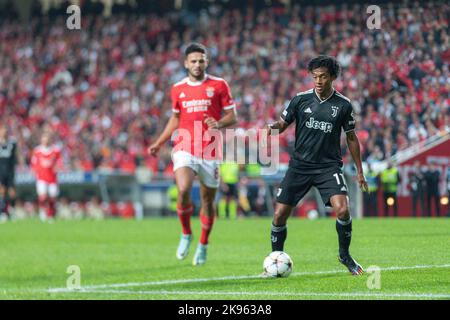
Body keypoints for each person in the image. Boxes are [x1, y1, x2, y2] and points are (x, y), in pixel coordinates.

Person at [263, 55, 368, 276]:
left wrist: (359, 171)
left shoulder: (343, 105)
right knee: (279, 214)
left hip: (328, 168)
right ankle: (275, 258)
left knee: (343, 209)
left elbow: (351, 137)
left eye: (323, 77)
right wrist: (272, 128)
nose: (318, 81)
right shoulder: (300, 100)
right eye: (315, 77)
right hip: (299, 166)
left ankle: (344, 255)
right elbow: (283, 124)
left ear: (332, 77)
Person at [148, 43, 237, 265]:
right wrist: (159, 142)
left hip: (210, 149)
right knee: (184, 188)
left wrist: (218, 123)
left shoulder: (219, 85)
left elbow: (232, 116)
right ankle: (186, 233)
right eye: (193, 61)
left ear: (207, 62)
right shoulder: (178, 88)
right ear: (186, 63)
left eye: (201, 60)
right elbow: (176, 118)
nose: (197, 64)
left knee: (208, 201)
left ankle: (203, 244)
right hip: (185, 145)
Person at [31, 131, 62, 222]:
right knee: (43, 197)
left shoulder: (55, 150)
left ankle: (51, 214)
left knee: (52, 197)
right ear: (41, 140)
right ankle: (42, 211)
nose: (45, 141)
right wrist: (34, 170)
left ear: (50, 140)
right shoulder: (37, 151)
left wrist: (58, 167)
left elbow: (59, 162)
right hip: (41, 177)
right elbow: (34, 163)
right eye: (44, 139)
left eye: (47, 139)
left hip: (52, 178)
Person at [0, 125, 17, 221]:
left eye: (6, 131)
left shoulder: (12, 143)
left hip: (10, 171)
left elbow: (16, 156)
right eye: (2, 131)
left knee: (12, 193)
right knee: (2, 192)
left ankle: (11, 210)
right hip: (0, 171)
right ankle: (3, 212)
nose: (4, 133)